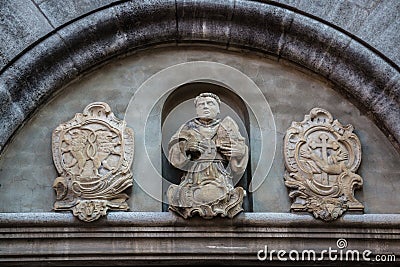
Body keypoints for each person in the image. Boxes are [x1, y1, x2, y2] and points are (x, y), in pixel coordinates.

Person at [167, 92, 248, 218]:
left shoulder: (227, 126)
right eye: (201, 104)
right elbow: (174, 154)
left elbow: (240, 152)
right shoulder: (187, 128)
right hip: (194, 175)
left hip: (220, 173)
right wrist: (186, 148)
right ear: (196, 110)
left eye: (210, 103)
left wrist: (239, 152)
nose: (205, 107)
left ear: (218, 109)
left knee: (222, 193)